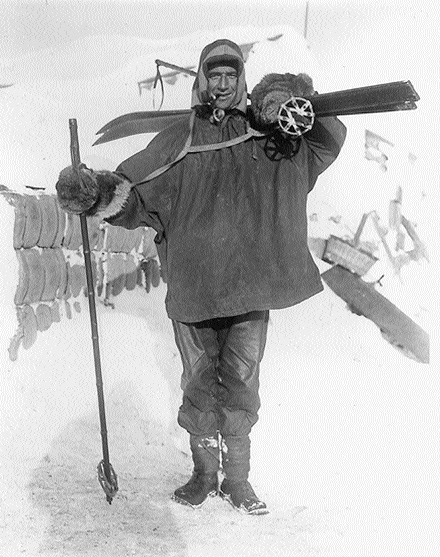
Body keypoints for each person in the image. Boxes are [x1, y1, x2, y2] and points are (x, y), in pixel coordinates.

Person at [56, 39, 347, 515]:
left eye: (232, 75)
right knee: (197, 381)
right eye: (215, 74)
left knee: (241, 382)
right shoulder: (179, 139)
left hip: (252, 287)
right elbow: (134, 196)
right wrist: (93, 193)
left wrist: (290, 95)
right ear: (201, 79)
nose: (223, 83)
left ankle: (237, 480)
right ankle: (203, 475)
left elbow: (325, 137)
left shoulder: (272, 134)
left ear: (242, 81)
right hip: (194, 287)